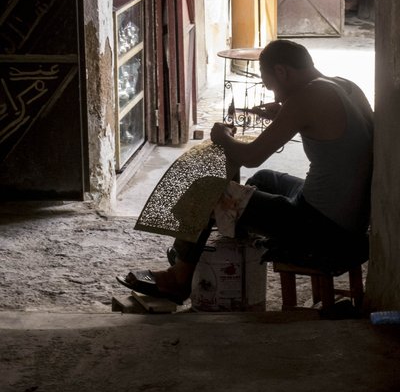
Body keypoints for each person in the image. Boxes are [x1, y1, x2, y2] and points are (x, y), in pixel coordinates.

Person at [117, 39, 373, 304]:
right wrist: (285, 114)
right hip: (350, 219)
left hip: (322, 228)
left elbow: (251, 157)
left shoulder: (307, 98)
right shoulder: (345, 86)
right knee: (263, 180)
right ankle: (220, 243)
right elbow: (329, 128)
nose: (276, 96)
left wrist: (223, 137)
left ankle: (180, 277)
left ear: (282, 71)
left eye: (272, 86)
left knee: (208, 190)